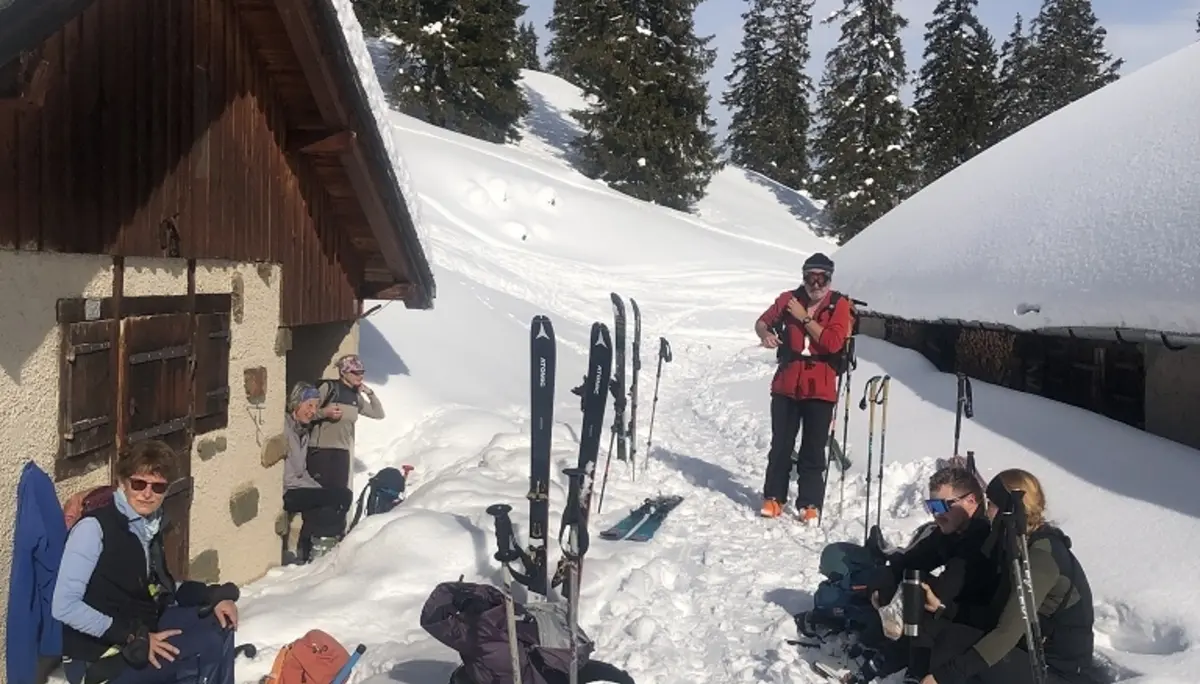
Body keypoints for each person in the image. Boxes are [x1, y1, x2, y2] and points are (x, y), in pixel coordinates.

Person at [52, 440, 240, 684]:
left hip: (143, 627)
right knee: (204, 644)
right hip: (100, 655)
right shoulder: (94, 529)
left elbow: (164, 587)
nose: (147, 493)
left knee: (220, 622)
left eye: (158, 487)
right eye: (139, 483)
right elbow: (64, 606)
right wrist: (131, 636)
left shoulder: (148, 526)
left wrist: (212, 596)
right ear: (122, 482)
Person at [919, 469, 1095, 684]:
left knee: (955, 645)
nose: (987, 511)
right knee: (950, 634)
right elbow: (997, 614)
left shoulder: (1041, 557)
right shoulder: (1019, 545)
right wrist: (944, 608)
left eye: (992, 504)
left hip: (1057, 673)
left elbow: (1006, 633)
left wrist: (943, 677)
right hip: (1032, 656)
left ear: (1009, 510)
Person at [835, 466, 999, 682]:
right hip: (951, 614)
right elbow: (912, 560)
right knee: (907, 585)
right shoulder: (953, 530)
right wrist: (883, 582)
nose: (936, 514)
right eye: (931, 506)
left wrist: (910, 590)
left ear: (970, 501)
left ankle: (910, 671)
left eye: (942, 505)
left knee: (919, 599)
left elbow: (945, 593)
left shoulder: (980, 539)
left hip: (976, 625)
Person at [754, 252, 853, 522]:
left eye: (822, 278)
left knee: (813, 448)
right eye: (811, 277)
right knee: (781, 445)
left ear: (830, 279)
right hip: (787, 383)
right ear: (804, 277)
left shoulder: (839, 305)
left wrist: (805, 319)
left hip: (820, 386)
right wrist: (765, 334)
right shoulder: (788, 299)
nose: (816, 284)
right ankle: (774, 497)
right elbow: (762, 321)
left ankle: (810, 503)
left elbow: (832, 343)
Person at [283, 382, 353, 562]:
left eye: (315, 406)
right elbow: (289, 475)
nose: (313, 411)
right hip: (288, 490)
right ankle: (317, 553)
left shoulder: (303, 432)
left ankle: (327, 544)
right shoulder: (284, 429)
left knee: (343, 495)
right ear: (296, 403)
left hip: (300, 486)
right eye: (309, 405)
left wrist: (317, 489)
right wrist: (319, 493)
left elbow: (302, 470)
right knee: (329, 503)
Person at [306, 354, 386, 494]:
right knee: (319, 494)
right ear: (344, 372)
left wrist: (370, 393)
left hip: (342, 451)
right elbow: (307, 413)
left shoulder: (355, 396)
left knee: (339, 495)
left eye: (362, 372)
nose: (360, 376)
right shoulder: (329, 388)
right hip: (320, 450)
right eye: (355, 372)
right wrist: (325, 413)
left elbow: (378, 414)